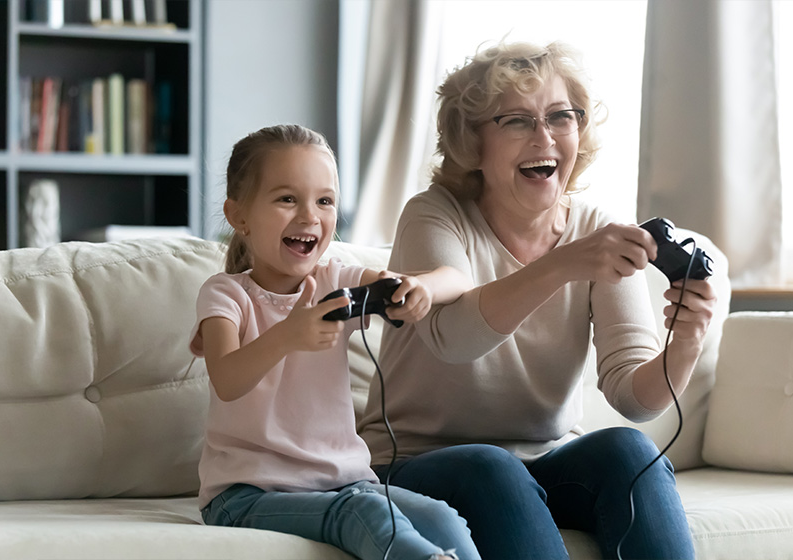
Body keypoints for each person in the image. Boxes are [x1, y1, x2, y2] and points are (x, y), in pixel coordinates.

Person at [357, 42, 717, 560]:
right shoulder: (434, 215)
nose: (544, 137)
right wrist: (564, 264)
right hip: (416, 463)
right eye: (517, 121)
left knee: (630, 452)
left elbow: (635, 400)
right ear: (473, 142)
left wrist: (685, 339)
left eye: (560, 117)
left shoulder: (594, 227)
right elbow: (453, 339)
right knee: (489, 465)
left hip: (544, 462)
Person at [189, 124, 480, 560]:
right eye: (287, 199)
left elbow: (456, 278)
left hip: (345, 481)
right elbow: (227, 379)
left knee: (442, 517)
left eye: (324, 201)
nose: (310, 217)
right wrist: (289, 334)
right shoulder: (226, 294)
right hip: (246, 495)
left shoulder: (334, 277)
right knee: (360, 511)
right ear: (239, 215)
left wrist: (420, 291)